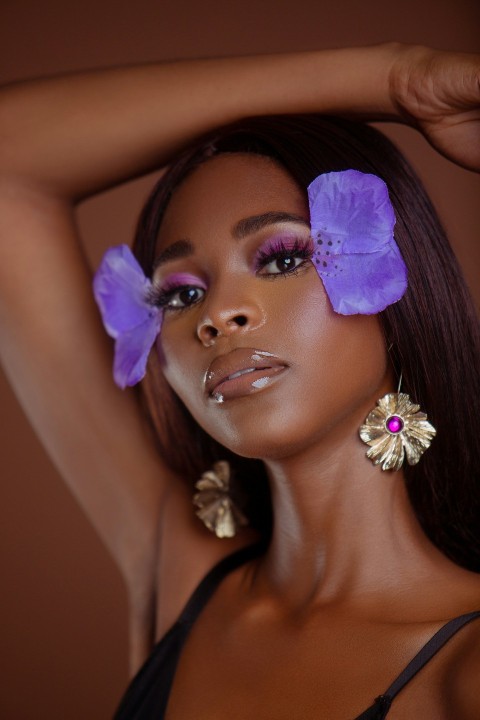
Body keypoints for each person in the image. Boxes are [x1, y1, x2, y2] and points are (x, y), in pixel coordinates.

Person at [0, 43, 479, 719]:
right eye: (179, 294)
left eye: (281, 258)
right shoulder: (183, 575)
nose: (218, 316)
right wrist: (398, 79)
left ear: (395, 288)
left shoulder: (464, 671)